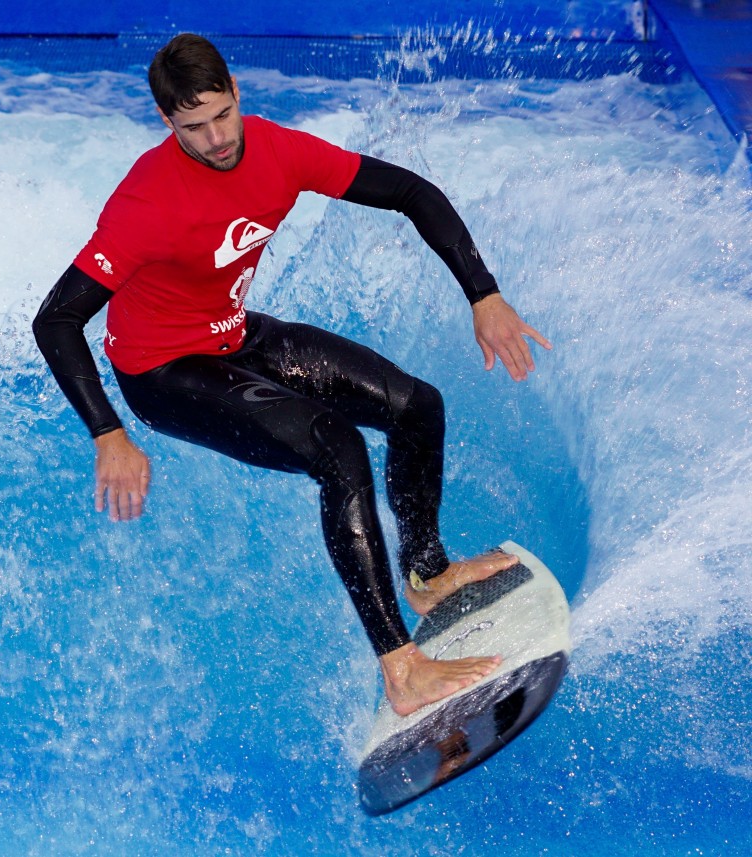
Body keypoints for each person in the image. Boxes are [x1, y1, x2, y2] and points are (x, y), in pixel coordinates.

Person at [31, 33, 552, 716]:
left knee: (416, 405)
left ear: (237, 91)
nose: (216, 138)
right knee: (339, 449)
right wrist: (108, 431)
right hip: (163, 371)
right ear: (167, 123)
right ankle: (402, 669)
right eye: (193, 127)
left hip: (234, 335)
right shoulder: (145, 204)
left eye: (222, 114)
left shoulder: (279, 151)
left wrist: (483, 293)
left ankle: (428, 573)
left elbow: (410, 191)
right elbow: (56, 320)